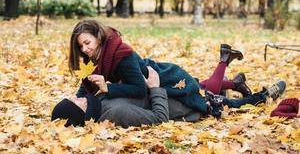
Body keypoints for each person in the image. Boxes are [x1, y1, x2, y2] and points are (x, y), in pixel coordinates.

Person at [69, 19, 268, 118]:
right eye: (81, 47)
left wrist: (108, 88)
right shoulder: (97, 58)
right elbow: (87, 86)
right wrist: (72, 103)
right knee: (203, 89)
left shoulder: (121, 54)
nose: (85, 49)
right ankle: (236, 82)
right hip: (157, 82)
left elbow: (139, 89)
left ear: (99, 36)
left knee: (205, 99)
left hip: (168, 80)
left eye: (87, 43)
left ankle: (246, 90)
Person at [51, 66, 287, 127]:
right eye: (77, 102)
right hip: (185, 106)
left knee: (203, 85)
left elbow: (83, 89)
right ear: (81, 114)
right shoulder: (115, 113)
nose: (79, 97)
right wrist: (154, 87)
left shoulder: (97, 102)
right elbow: (160, 118)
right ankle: (261, 97)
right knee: (227, 102)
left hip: (176, 92)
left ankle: (235, 83)